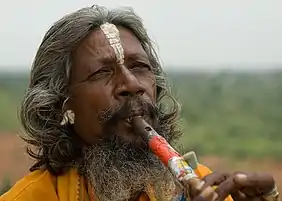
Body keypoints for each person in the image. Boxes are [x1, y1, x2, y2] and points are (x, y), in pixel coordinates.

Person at [0, 5, 278, 201]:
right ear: (61, 104)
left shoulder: (205, 188)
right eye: (102, 72)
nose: (133, 85)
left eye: (140, 67)